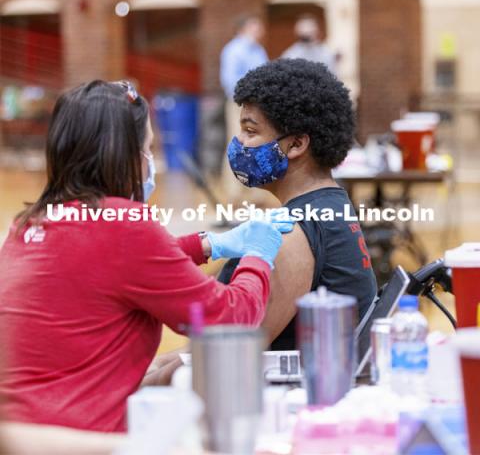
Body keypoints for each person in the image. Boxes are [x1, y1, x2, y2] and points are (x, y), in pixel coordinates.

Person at [0, 80, 294, 432]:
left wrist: (209, 244)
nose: (150, 163)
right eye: (147, 150)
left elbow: (117, 267)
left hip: (29, 429)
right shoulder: (124, 227)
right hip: (85, 434)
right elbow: (228, 319)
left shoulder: (31, 223)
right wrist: (258, 256)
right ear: (124, 156)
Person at [218, 58, 377, 349]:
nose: (239, 142)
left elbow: (230, 351)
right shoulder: (331, 200)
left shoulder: (292, 234)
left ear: (296, 145)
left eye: (250, 131)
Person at [219, 14, 271, 206]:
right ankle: (234, 194)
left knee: (258, 145)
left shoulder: (258, 50)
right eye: (256, 26)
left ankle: (256, 193)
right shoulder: (233, 50)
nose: (260, 31)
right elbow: (229, 81)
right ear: (244, 28)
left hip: (259, 106)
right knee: (237, 144)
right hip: (240, 104)